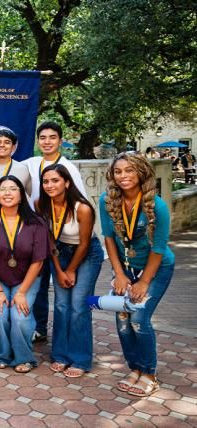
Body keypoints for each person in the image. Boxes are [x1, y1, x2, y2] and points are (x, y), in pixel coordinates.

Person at [99, 152, 175, 397]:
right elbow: (109, 239)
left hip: (156, 268)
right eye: (118, 172)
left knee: (138, 319)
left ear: (141, 172)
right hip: (126, 268)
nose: (124, 177)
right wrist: (119, 274)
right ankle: (135, 368)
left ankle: (150, 374)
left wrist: (143, 282)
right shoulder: (107, 200)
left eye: (129, 171)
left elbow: (159, 248)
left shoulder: (157, 206)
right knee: (122, 318)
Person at [0, 176, 48, 373]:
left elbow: (38, 260)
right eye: (2, 189)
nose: (7, 193)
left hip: (27, 278)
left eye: (13, 189)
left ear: (21, 194)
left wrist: (22, 292)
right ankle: (3, 354)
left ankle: (24, 357)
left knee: (20, 316)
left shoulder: (37, 222)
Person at [24, 122, 88, 344]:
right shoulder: (32, 163)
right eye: (43, 137)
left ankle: (71, 338)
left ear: (60, 140)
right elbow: (8, 168)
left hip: (67, 237)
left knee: (68, 292)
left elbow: (82, 201)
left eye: (52, 137)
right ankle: (40, 327)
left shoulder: (68, 168)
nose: (47, 141)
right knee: (39, 282)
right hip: (40, 233)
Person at [38, 164, 103, 378]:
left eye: (55, 180)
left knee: (78, 305)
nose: (50, 185)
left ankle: (80, 359)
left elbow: (84, 244)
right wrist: (59, 269)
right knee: (61, 304)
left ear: (66, 182)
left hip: (86, 254)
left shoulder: (82, 208)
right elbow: (49, 240)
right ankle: (61, 355)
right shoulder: (42, 204)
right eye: (46, 181)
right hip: (59, 251)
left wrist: (71, 270)